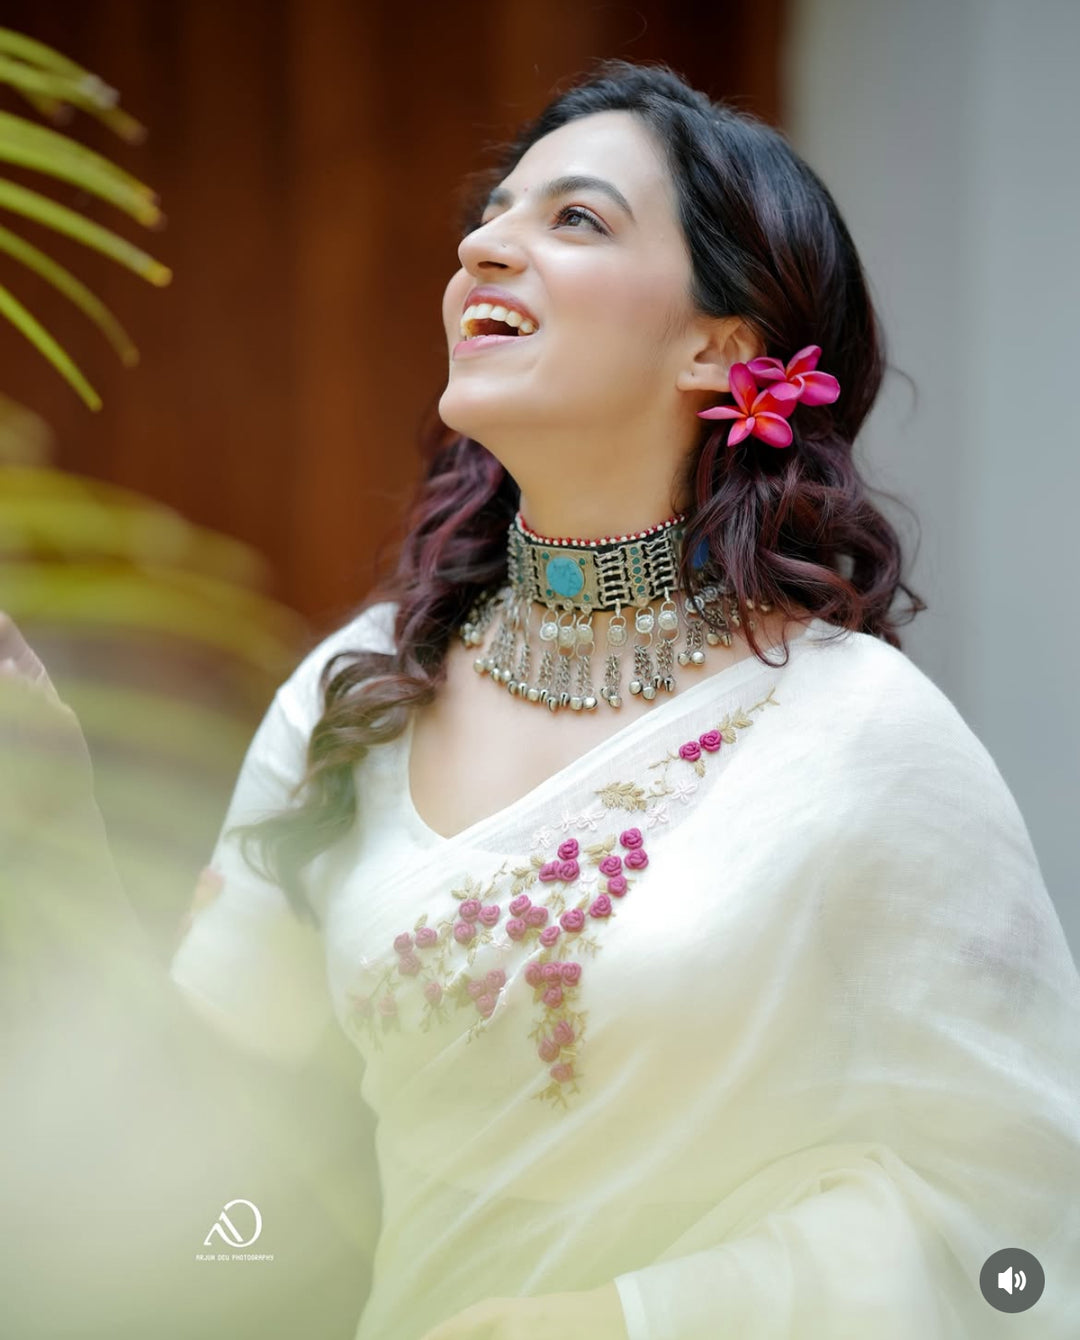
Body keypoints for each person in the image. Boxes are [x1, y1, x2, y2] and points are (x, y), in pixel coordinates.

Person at [168, 59, 1080, 1340]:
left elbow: (1026, 1225)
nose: (487, 242)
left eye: (576, 219)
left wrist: (634, 1316)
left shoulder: (861, 738)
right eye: (493, 210)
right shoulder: (360, 691)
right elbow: (195, 1123)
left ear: (724, 351)